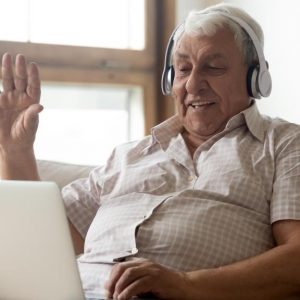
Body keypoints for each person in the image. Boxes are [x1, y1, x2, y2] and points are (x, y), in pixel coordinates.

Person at [1, 3, 300, 300]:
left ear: (255, 77)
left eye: (214, 67)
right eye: (183, 69)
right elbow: (44, 239)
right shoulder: (128, 156)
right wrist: (16, 150)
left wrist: (186, 285)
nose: (193, 84)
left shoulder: (283, 144)